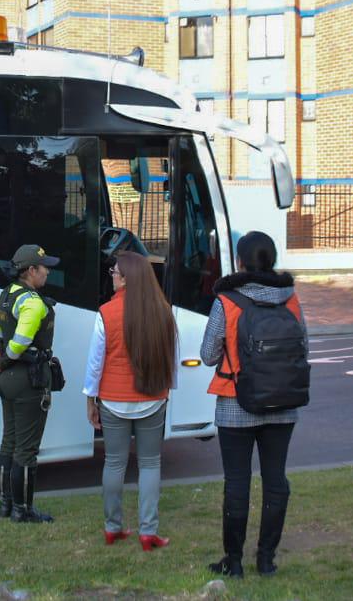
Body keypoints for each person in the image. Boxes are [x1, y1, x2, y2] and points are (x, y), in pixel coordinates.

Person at [201, 231, 305, 579]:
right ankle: (266, 559)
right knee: (276, 481)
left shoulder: (226, 301)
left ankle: (233, 562)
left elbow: (207, 355)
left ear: (241, 262)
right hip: (283, 402)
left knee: (237, 483)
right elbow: (302, 349)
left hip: (235, 402)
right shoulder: (291, 300)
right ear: (272, 260)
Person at [82, 250, 177, 551]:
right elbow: (170, 359)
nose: (111, 275)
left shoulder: (106, 313)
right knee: (150, 464)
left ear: (125, 278)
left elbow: (95, 363)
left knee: (114, 462)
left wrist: (90, 399)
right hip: (152, 396)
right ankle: (148, 532)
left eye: (114, 272)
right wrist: (167, 392)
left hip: (112, 398)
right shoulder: (162, 309)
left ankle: (113, 527)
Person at [0, 244, 59, 523]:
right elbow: (21, 342)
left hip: (5, 380)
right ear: (31, 271)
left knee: (9, 441)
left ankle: (6, 505)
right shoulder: (32, 301)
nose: (47, 272)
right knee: (26, 449)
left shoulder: (7, 294)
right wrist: (4, 359)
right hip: (27, 379)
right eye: (44, 267)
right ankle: (23, 510)